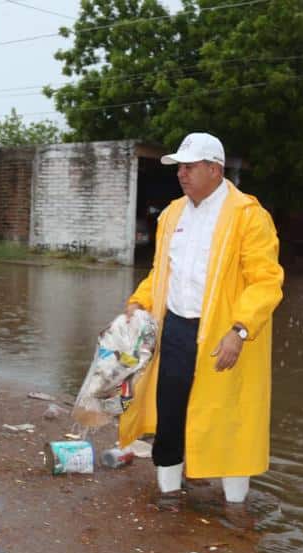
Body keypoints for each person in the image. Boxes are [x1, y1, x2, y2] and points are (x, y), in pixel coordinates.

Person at [120, 132, 284, 509]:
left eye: (190, 167)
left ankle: (236, 508)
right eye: (180, 167)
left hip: (225, 333)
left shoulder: (248, 217)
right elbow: (162, 272)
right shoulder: (172, 214)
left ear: (215, 169)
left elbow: (266, 281)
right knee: (170, 409)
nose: (182, 174)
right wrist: (139, 302)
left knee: (229, 417)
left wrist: (240, 329)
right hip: (176, 326)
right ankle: (168, 493)